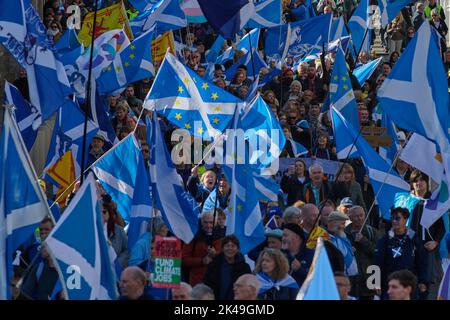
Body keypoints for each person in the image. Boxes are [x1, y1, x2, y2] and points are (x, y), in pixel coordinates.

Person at [374, 207, 429, 300]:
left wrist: (423, 281)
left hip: (410, 284)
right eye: (392, 218)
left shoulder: (414, 238)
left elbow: (422, 261)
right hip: (390, 285)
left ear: (405, 219)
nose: (394, 221)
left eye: (397, 218)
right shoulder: (384, 240)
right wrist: (375, 283)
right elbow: (376, 262)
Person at [409, 170, 445, 300]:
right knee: (413, 282)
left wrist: (435, 241)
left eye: (421, 180)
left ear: (427, 183)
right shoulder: (408, 201)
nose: (419, 183)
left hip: (430, 249)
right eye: (415, 181)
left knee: (432, 282)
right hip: (413, 249)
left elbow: (441, 226)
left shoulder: (434, 202)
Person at [345, 206, 379, 300]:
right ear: (350, 217)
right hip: (351, 280)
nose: (360, 218)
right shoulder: (344, 233)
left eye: (361, 215)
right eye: (356, 216)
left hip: (369, 277)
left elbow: (377, 253)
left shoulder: (372, 232)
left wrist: (363, 241)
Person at [203, 235, 251, 300]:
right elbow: (206, 284)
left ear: (237, 249)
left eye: (233, 246)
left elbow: (248, 287)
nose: (230, 248)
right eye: (227, 246)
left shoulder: (245, 268)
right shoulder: (214, 265)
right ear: (222, 248)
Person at [182, 212, 221, 286]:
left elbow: (226, 258)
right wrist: (202, 260)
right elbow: (184, 259)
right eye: (205, 222)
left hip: (216, 281)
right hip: (197, 281)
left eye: (211, 222)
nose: (208, 225)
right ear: (201, 222)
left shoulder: (221, 237)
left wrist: (215, 254)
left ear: (215, 223)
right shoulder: (193, 237)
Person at [327, 211, 358, 277]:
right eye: (342, 223)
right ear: (334, 222)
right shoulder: (326, 238)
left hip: (351, 276)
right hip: (337, 277)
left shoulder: (343, 236)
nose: (344, 227)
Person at [102, 202, 128, 269]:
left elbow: (127, 250)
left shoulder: (119, 230)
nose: (101, 214)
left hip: (115, 272)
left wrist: (117, 262)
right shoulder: (90, 230)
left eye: (104, 212)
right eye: (98, 211)